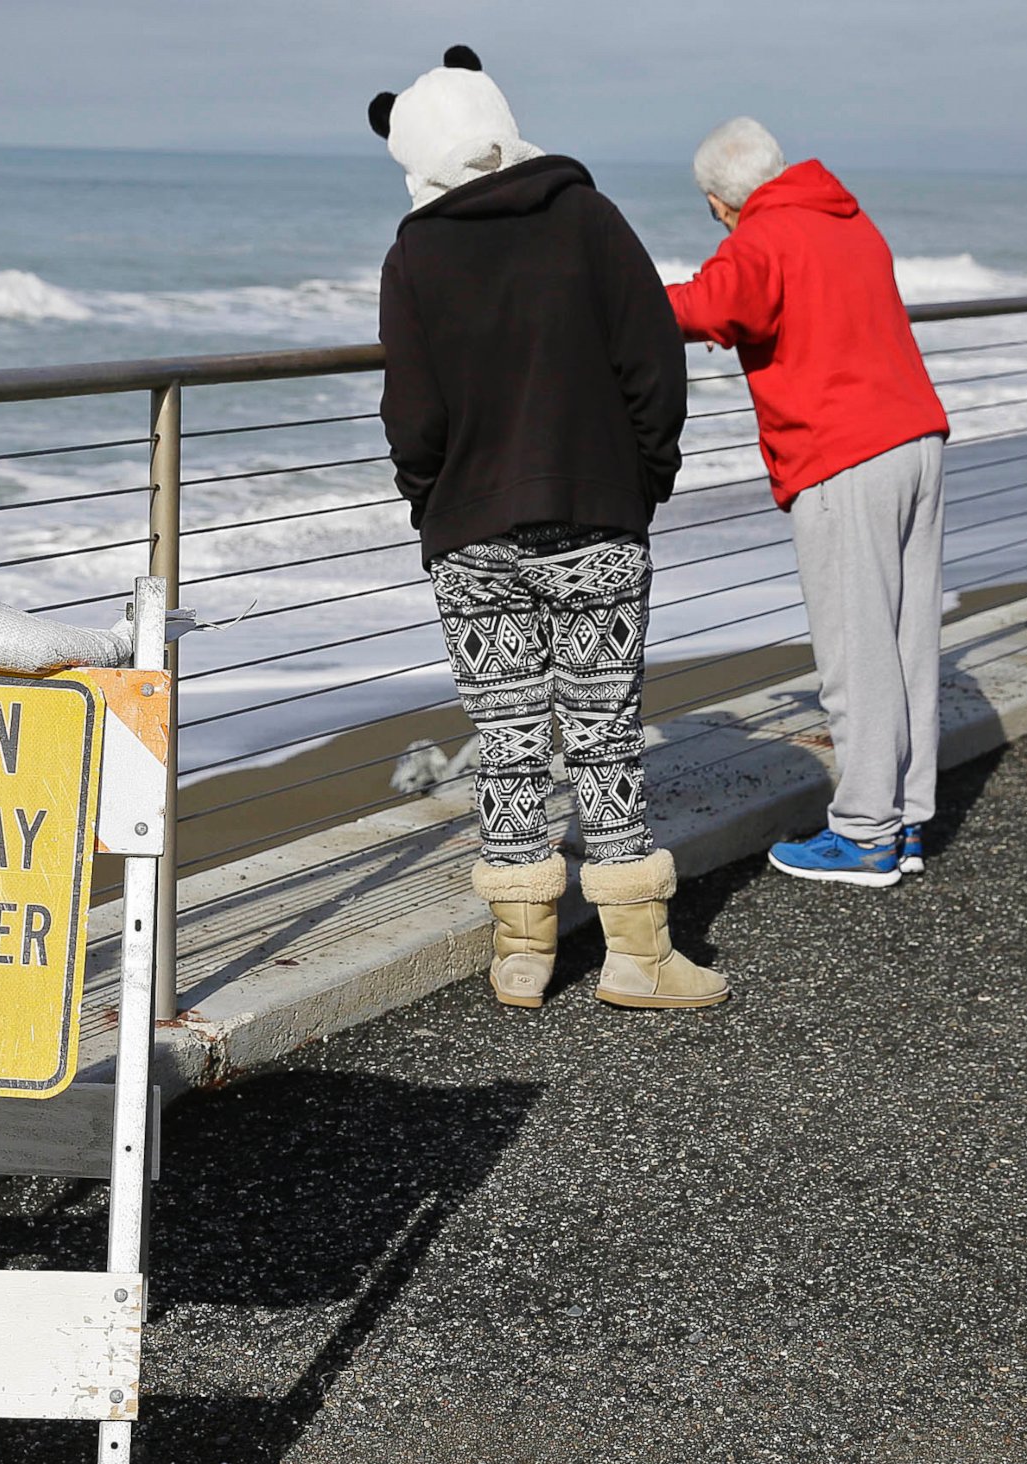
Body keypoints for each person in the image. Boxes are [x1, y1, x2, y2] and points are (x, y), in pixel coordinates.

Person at [370, 46, 726, 1010]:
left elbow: (414, 415)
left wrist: (433, 503)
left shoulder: (416, 253)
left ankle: (523, 953)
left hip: (471, 534)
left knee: (507, 736)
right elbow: (655, 365)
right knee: (605, 735)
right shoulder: (588, 219)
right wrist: (644, 478)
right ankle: (637, 957)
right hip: (597, 515)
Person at [666, 118, 951, 887]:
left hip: (845, 457)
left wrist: (614, 302)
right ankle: (907, 819)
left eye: (710, 209)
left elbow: (706, 307)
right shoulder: (846, 220)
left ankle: (863, 836)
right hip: (915, 438)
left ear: (722, 201)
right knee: (906, 642)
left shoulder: (764, 234)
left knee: (857, 653)